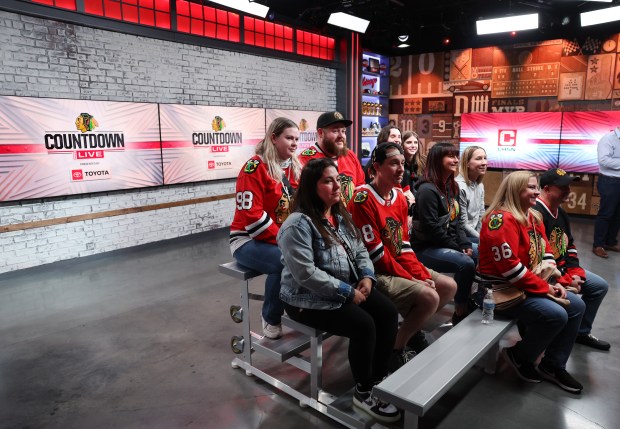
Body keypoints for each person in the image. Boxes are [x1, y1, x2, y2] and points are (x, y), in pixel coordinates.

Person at [277, 158, 401, 423]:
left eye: (337, 179)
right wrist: (347, 292)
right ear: (312, 187)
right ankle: (364, 391)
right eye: (327, 180)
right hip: (305, 299)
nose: (337, 185)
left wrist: (367, 277)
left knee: (388, 312)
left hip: (345, 288)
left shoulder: (339, 215)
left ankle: (379, 377)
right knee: (364, 325)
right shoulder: (298, 224)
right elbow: (306, 274)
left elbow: (360, 251)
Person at [348, 143, 456, 370]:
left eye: (402, 164)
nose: (400, 169)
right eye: (393, 163)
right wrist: (414, 279)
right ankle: (394, 348)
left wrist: (417, 272)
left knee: (447, 286)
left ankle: (409, 331)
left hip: (395, 264)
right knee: (430, 297)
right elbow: (376, 255)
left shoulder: (398, 196)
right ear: (377, 167)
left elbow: (403, 246)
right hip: (371, 271)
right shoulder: (362, 199)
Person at [478, 171, 586, 393]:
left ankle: (553, 365)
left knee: (577, 306)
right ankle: (519, 356)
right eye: (531, 187)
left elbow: (546, 255)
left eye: (537, 187)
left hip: (523, 286)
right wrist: (547, 288)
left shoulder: (532, 216)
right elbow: (511, 270)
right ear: (515, 190)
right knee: (556, 314)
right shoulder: (499, 220)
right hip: (498, 291)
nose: (537, 191)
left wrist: (561, 281)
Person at [229, 117, 302, 339]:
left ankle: (299, 307)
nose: (294, 143)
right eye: (289, 138)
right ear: (273, 138)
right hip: (246, 240)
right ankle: (271, 316)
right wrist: (287, 241)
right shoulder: (254, 167)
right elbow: (252, 218)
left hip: (277, 238)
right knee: (284, 260)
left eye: (296, 139)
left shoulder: (294, 168)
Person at [533, 168, 610, 350]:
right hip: (548, 274)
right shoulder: (536, 214)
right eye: (563, 187)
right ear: (547, 189)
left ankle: (580, 333)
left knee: (599, 286)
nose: (568, 190)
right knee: (577, 303)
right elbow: (540, 259)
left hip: (565, 270)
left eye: (569, 186)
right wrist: (565, 280)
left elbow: (570, 246)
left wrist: (576, 273)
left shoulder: (562, 213)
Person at [411, 142, 475, 324]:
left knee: (480, 252)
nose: (456, 160)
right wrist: (457, 247)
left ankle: (471, 299)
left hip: (443, 243)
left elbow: (457, 223)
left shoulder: (451, 186)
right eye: (450, 156)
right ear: (437, 161)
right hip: (425, 248)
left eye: (456, 156)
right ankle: (461, 309)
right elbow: (432, 230)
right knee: (465, 263)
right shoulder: (427, 190)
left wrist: (464, 243)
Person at [299, 111, 365, 205]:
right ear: (321, 133)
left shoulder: (350, 155)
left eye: (343, 131)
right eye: (335, 131)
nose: (341, 136)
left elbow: (360, 187)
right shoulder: (305, 159)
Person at [592, 127, 620, 258]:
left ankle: (610, 242)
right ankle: (598, 245)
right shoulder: (608, 139)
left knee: (618, 214)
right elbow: (603, 160)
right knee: (606, 214)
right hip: (610, 181)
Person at [455, 145, 487, 243]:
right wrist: (482, 239)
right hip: (461, 237)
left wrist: (481, 236)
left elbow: (481, 215)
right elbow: (462, 224)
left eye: (485, 158)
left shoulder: (480, 186)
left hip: (474, 235)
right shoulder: (459, 186)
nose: (484, 162)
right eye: (478, 159)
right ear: (467, 163)